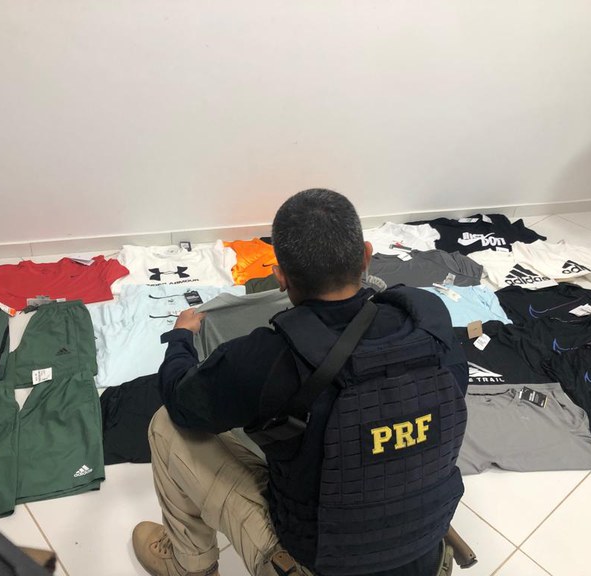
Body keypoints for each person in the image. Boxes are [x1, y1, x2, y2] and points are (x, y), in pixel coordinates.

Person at [132, 189, 468, 576]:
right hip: (425, 553)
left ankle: (188, 565)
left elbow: (181, 402)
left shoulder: (265, 358)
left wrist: (180, 338)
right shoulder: (428, 321)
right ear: (366, 256)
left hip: (320, 562)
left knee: (165, 425)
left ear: (280, 277)